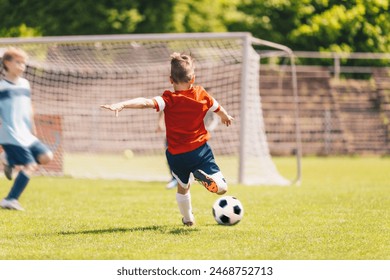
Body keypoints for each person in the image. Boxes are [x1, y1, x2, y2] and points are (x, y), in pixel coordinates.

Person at [101, 52, 234, 226]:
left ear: (170, 80)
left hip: (177, 155)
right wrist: (225, 116)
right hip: (200, 151)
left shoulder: (168, 99)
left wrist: (123, 104)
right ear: (192, 78)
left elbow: (145, 102)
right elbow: (216, 105)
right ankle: (204, 178)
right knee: (222, 188)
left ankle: (188, 219)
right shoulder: (202, 94)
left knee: (182, 188)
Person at [0, 47, 53, 211]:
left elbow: (28, 106)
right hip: (11, 134)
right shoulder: (1, 87)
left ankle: (9, 159)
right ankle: (10, 199)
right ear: (7, 63)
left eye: (23, 63)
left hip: (26, 134)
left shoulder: (25, 84)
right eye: (18, 62)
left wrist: (33, 126)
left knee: (46, 157)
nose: (22, 66)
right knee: (30, 165)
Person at [156, 111, 178, 190]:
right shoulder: (170, 98)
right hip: (172, 131)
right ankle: (175, 178)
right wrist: (160, 122)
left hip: (188, 130)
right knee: (170, 154)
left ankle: (190, 177)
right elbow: (163, 105)